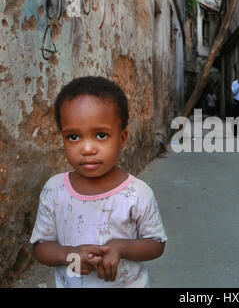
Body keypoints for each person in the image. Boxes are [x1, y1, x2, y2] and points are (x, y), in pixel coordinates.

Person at [30, 76, 167, 288]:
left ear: (122, 138)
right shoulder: (55, 190)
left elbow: (156, 244)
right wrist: (68, 255)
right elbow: (40, 247)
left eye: (101, 135)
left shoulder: (138, 193)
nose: (87, 149)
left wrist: (120, 247)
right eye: (73, 137)